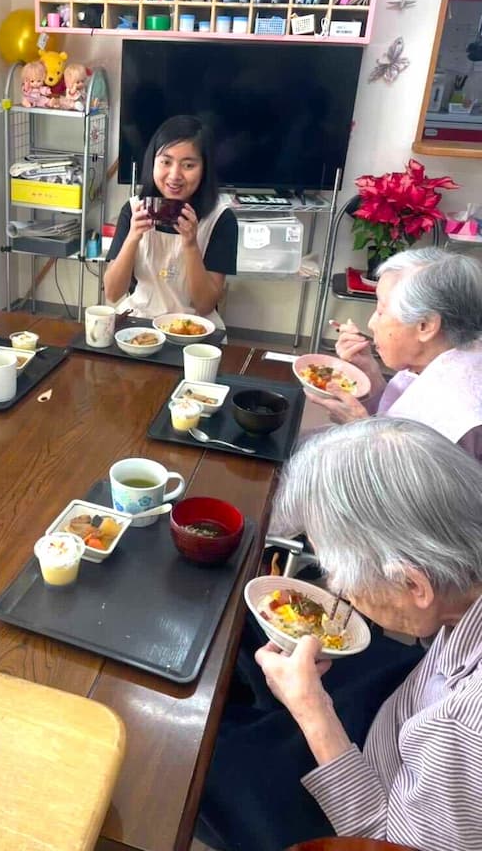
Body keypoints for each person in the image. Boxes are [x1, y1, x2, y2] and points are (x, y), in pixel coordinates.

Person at [199, 418, 482, 851]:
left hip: (368, 808)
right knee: (250, 626)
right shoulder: (457, 592)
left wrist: (312, 709)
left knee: (203, 755)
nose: (335, 587)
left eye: (339, 572)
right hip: (400, 709)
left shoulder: (460, 730)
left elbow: (381, 840)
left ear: (414, 585)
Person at [310, 247, 482, 459]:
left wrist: (360, 429)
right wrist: (371, 373)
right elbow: (399, 412)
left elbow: (407, 483)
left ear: (425, 326)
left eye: (381, 311)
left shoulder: (460, 416)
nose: (371, 323)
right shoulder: (445, 356)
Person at [104, 115, 238, 328]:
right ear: (153, 163)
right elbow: (112, 293)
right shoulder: (133, 210)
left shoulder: (220, 219)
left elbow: (205, 305)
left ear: (204, 169)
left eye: (188, 165)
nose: (174, 175)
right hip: (140, 320)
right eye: (166, 162)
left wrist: (191, 245)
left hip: (194, 327)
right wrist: (133, 237)